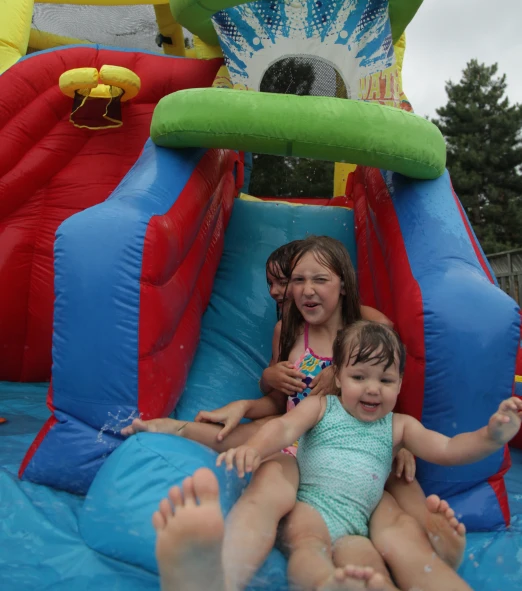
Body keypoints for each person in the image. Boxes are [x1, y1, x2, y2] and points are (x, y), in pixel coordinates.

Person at [126, 237, 467, 590]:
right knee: (239, 443)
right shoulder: (287, 330)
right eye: (297, 280)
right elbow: (278, 401)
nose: (305, 290)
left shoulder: (368, 330)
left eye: (319, 280)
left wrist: (401, 440)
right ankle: (169, 429)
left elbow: (388, 379)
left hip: (360, 441)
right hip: (298, 434)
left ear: (344, 285)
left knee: (403, 482)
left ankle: (437, 544)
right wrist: (259, 387)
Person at [216, 320, 522, 590]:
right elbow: (284, 428)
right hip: (310, 504)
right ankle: (323, 584)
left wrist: (491, 436)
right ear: (338, 377)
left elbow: (448, 449)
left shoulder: (399, 427)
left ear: (400, 384)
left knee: (371, 569)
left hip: (357, 525)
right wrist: (253, 449)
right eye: (359, 377)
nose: (372, 389)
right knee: (308, 547)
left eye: (385, 380)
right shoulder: (322, 407)